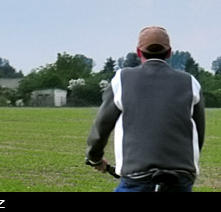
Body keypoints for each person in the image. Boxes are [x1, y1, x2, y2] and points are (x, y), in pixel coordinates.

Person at [85, 26, 206, 192]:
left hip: (137, 178)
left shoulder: (122, 79)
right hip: (180, 178)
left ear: (138, 51)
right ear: (169, 52)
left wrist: (95, 158)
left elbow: (102, 127)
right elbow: (198, 134)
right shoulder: (190, 82)